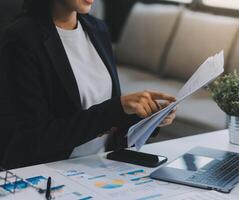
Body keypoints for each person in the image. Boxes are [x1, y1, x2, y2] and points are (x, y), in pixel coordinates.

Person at [2, 0, 176, 169]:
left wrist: (147, 115)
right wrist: (117, 107)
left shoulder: (98, 28)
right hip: (51, 172)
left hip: (102, 165)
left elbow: (109, 117)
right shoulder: (20, 38)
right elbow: (35, 138)